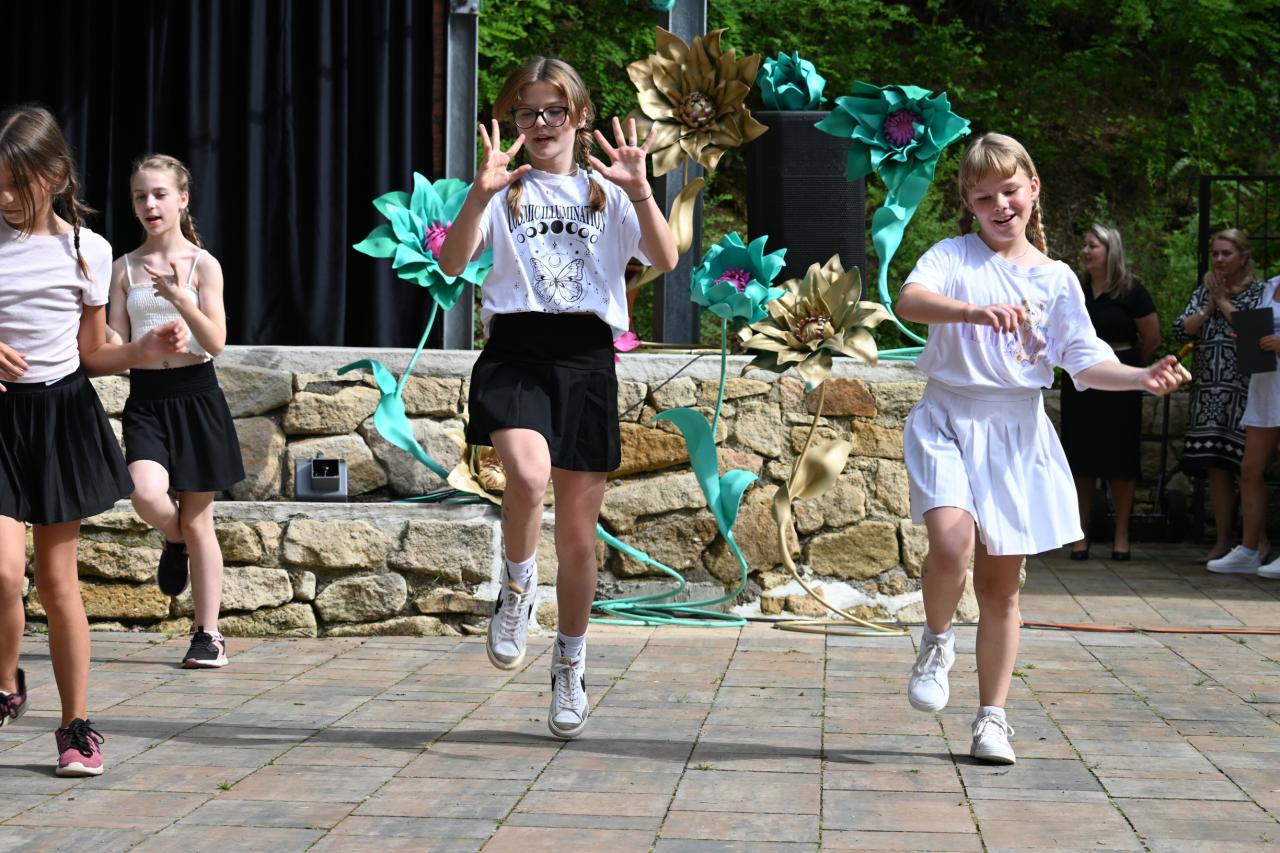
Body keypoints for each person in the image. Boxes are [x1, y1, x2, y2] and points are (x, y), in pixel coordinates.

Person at [895, 132, 1188, 765]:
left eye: (1009, 191)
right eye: (983, 197)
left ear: (1032, 189)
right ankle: (937, 640)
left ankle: (991, 720)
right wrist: (972, 313)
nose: (999, 206)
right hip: (947, 417)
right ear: (968, 204)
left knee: (1001, 587)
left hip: (1016, 430)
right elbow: (909, 300)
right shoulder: (952, 256)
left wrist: (1142, 377)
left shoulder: (1057, 280)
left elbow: (1085, 361)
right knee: (950, 541)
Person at [437, 57, 677, 739]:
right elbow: (452, 264)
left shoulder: (609, 192)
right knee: (527, 472)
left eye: (554, 111)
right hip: (516, 351)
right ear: (512, 119)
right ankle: (516, 586)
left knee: (576, 537)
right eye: (526, 111)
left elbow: (665, 259)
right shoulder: (503, 188)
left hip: (586, 358)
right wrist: (477, 195)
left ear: (580, 117)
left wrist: (642, 192)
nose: (540, 122)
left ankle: (570, 662)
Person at [0, 104, 184, 776]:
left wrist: (140, 349)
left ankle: (76, 727)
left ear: (54, 176)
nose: (5, 198)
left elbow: (91, 353)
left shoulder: (88, 249)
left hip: (60, 418)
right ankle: (5, 680)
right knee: (2, 572)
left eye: (17, 185)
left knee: (57, 582)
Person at [106, 154, 243, 667]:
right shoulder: (123, 267)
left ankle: (208, 635)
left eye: (160, 194)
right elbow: (115, 341)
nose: (150, 204)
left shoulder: (204, 264)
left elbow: (217, 341)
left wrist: (180, 299)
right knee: (144, 492)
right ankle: (174, 538)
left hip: (197, 395)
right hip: (146, 398)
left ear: (182, 199)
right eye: (140, 195)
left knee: (201, 520)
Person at [1059, 223, 1159, 560]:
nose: (1085, 251)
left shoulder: (1132, 291)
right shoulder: (1077, 289)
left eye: (1093, 246)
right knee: (1081, 456)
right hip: (1081, 382)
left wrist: (1131, 371)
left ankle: (1121, 536)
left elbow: (1152, 338)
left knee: (1120, 458)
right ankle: (1080, 535)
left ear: (1110, 251)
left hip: (1121, 380)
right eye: (1085, 245)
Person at [1174, 229, 1267, 564]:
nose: (1219, 259)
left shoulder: (1259, 291)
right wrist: (1209, 305)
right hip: (1208, 391)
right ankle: (1223, 541)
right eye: (1215, 253)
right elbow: (1180, 329)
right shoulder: (1206, 290)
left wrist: (1224, 303)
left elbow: (1254, 331)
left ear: (1243, 257)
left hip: (1243, 390)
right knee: (1216, 467)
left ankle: (1256, 542)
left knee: (1246, 467)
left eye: (1226, 253)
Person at [1208, 273, 1280, 576]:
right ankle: (1249, 550)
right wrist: (1248, 340)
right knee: (1250, 470)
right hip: (1266, 387)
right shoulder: (1271, 285)